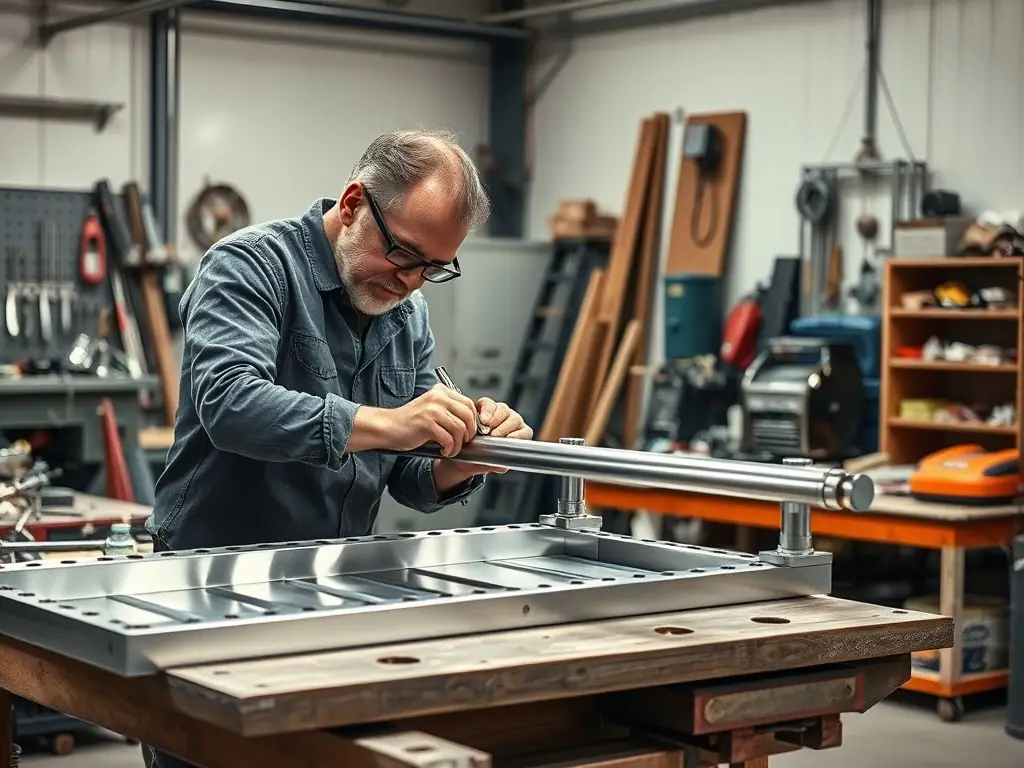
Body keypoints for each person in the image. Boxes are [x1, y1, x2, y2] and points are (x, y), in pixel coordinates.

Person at [141, 131, 533, 766]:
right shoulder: (250, 266)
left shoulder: (407, 315)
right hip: (212, 591)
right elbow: (230, 405)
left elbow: (407, 473)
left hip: (330, 591)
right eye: (404, 255)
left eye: (434, 268)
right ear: (353, 203)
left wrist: (458, 458)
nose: (410, 282)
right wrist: (390, 423)